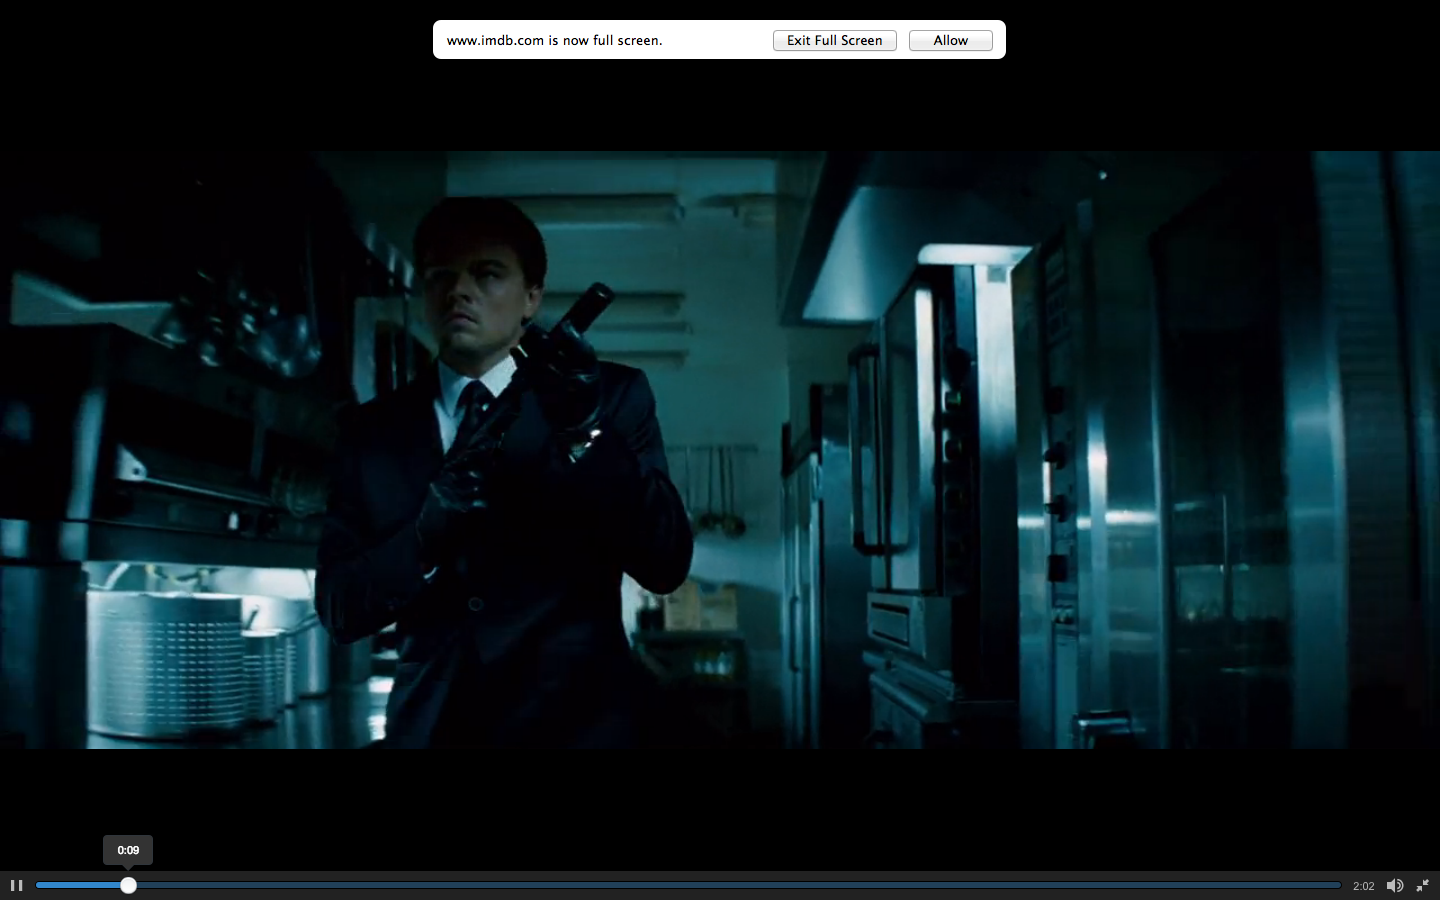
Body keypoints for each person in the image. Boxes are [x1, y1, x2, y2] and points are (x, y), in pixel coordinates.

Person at [315, 196, 694, 748]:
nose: (459, 290)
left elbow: (665, 564)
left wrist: (584, 432)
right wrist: (420, 542)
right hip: (432, 732)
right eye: (440, 275)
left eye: (487, 273)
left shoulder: (610, 398)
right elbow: (338, 608)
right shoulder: (370, 431)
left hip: (577, 729)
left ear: (532, 297)